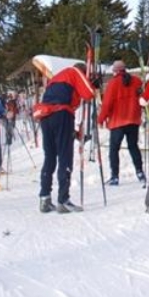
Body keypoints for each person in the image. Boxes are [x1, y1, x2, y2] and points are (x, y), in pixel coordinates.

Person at [34, 60, 95, 213]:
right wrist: (93, 84)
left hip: (46, 116)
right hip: (61, 115)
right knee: (65, 156)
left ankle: (45, 198)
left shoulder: (55, 79)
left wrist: (73, 131)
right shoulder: (74, 72)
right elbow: (89, 94)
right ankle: (63, 199)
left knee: (50, 157)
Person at [98, 60, 145, 186]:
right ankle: (140, 172)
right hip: (133, 119)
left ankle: (115, 176)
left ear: (115, 71)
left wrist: (101, 118)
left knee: (114, 149)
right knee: (133, 146)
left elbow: (107, 104)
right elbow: (142, 97)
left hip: (117, 121)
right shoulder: (136, 81)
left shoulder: (112, 84)